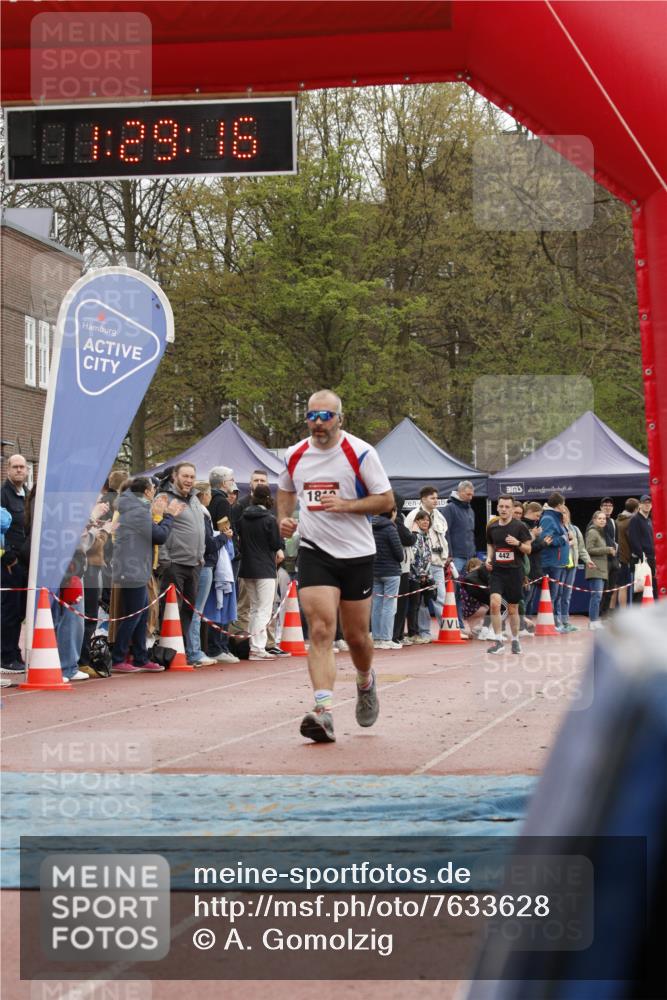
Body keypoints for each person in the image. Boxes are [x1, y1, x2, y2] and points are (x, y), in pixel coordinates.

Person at [276, 389, 393, 743]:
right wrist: (284, 518)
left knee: (357, 637)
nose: (318, 423)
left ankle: (364, 680)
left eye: (326, 416)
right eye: (312, 416)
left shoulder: (360, 452)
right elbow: (285, 491)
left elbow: (386, 500)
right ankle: (323, 711)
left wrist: (347, 505)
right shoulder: (295, 454)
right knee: (322, 630)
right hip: (315, 551)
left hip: (356, 553)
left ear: (340, 418)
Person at [112, 477, 184, 672]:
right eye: (153, 488)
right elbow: (158, 536)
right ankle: (118, 657)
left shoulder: (137, 509)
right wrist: (169, 516)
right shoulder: (137, 511)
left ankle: (140, 657)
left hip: (136, 567)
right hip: (132, 568)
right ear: (146, 491)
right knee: (134, 615)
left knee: (141, 614)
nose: (155, 492)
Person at [156, 462, 205, 636]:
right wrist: (165, 560)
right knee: (171, 610)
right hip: (174, 563)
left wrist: (201, 556)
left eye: (192, 477)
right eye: (185, 476)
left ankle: (181, 651)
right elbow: (156, 529)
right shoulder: (164, 498)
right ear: (174, 477)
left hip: (195, 564)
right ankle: (168, 651)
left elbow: (200, 529)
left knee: (188, 610)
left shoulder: (194, 499)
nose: (189, 480)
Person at [238, 483, 283, 660]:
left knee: (254, 608)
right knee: (263, 609)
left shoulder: (243, 518)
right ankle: (257, 647)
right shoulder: (269, 520)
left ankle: (254, 645)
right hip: (265, 568)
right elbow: (275, 544)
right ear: (267, 499)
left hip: (247, 567)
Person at [485, 495, 532, 655]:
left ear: (512, 509)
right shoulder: (492, 527)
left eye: (507, 507)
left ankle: (516, 640)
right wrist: (489, 558)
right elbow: (490, 544)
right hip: (497, 571)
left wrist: (518, 543)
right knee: (495, 603)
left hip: (514, 571)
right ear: (497, 508)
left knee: (513, 609)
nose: (504, 509)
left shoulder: (520, 527)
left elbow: (528, 549)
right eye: (501, 506)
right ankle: (498, 641)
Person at [1, 454, 29, 675]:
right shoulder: (3, 496)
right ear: (7, 470)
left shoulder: (27, 495)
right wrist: (7, 556)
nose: (20, 470)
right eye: (15, 467)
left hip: (26, 561)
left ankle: (14, 650)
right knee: (9, 609)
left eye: (23, 467)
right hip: (10, 563)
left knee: (20, 610)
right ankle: (6, 656)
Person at [405, 486, 448, 623]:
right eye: (432, 498)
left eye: (437, 498)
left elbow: (443, 537)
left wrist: (446, 556)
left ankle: (446, 628)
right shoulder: (413, 515)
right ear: (423, 499)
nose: (436, 501)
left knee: (440, 597)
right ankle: (424, 633)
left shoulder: (439, 515)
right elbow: (409, 539)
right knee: (421, 600)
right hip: (420, 565)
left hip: (437, 562)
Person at [371, 505, 403, 649]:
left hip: (375, 571)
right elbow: (399, 554)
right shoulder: (391, 528)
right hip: (391, 572)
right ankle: (386, 638)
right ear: (393, 512)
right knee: (389, 606)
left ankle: (377, 638)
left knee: (376, 605)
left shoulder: (370, 526)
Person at [442, 480, 476, 621]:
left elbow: (471, 532)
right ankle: (455, 622)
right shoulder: (450, 508)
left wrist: (473, 553)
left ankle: (460, 622)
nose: (470, 497)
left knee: (463, 593)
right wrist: (449, 554)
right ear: (460, 492)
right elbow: (445, 532)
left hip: (468, 556)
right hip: (456, 557)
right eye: (468, 494)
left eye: (472, 494)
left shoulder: (470, 509)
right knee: (453, 591)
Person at [538, 492, 571, 631]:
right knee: (552, 594)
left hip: (559, 563)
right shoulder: (548, 518)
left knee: (557, 595)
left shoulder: (556, 518)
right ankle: (550, 624)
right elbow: (547, 540)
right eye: (563, 504)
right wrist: (564, 538)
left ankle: (556, 623)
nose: (564, 506)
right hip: (552, 563)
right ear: (559, 505)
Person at [559, 506, 594, 632]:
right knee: (557, 595)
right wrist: (567, 543)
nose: (563, 515)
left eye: (565, 512)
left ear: (568, 514)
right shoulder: (556, 529)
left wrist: (588, 560)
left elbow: (581, 548)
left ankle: (565, 622)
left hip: (572, 566)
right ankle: (557, 622)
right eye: (560, 513)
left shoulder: (575, 529)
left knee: (566, 596)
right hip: (559, 566)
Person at [406, 510, 434, 643]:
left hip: (425, 576)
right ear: (416, 522)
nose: (425, 522)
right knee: (414, 605)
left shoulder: (427, 537)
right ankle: (413, 633)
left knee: (421, 604)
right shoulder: (415, 536)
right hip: (414, 576)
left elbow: (427, 558)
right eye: (421, 519)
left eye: (427, 520)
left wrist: (428, 575)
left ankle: (419, 632)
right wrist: (421, 573)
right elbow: (414, 557)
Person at [585, 510, 614, 629]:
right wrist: (607, 549)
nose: (602, 520)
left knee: (598, 596)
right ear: (594, 520)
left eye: (604, 519)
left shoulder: (600, 532)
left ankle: (595, 620)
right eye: (600, 518)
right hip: (595, 568)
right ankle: (593, 621)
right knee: (596, 596)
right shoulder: (592, 532)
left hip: (601, 569)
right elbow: (589, 549)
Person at [628, 494, 657, 600]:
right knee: (640, 590)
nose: (647, 505)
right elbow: (633, 540)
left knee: (650, 590)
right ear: (639, 505)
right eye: (644, 503)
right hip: (641, 560)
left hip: (650, 559)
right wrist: (642, 556)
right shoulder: (635, 519)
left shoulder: (649, 521)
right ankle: (638, 616)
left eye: (649, 503)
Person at [616, 497, 640, 607]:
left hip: (618, 557)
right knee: (626, 586)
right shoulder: (632, 521)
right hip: (627, 558)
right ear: (636, 509)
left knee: (620, 586)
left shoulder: (618, 520)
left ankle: (621, 612)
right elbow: (633, 540)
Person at [598, 497, 619, 617]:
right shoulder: (597, 522)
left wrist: (618, 560)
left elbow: (617, 541)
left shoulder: (613, 522)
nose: (607, 507)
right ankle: (599, 615)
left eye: (610, 505)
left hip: (614, 561)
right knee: (602, 590)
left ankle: (605, 614)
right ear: (601, 507)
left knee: (610, 590)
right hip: (602, 560)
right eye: (605, 505)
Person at [459, 557, 491, 637]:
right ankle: (484, 628)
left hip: (469, 610)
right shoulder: (471, 580)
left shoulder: (467, 578)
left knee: (475, 632)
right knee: (493, 606)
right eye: (475, 568)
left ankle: (476, 629)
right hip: (471, 609)